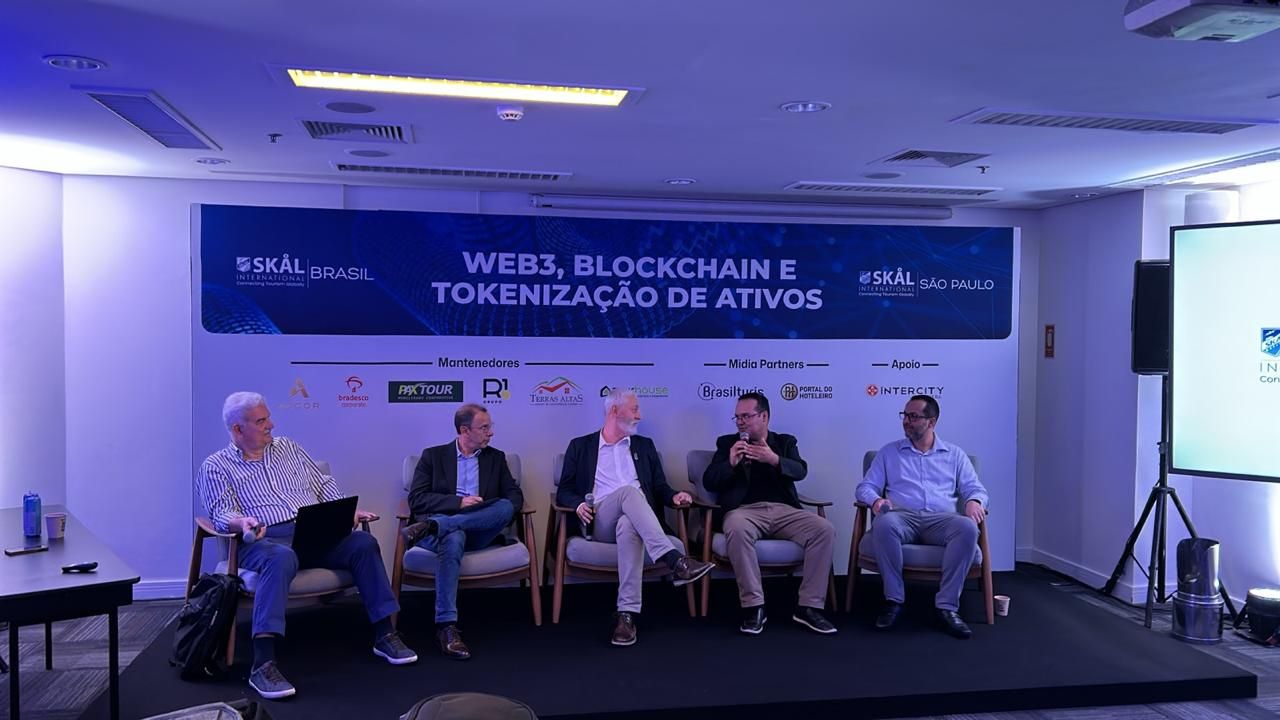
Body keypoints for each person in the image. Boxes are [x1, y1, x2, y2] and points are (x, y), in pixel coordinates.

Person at [195, 392, 417, 700]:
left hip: (311, 531)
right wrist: (242, 522)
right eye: (261, 421)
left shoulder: (288, 447)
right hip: (263, 539)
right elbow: (221, 513)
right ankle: (263, 664)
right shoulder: (216, 466)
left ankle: (385, 634)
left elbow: (322, 484)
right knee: (280, 557)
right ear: (237, 429)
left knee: (362, 543)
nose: (271, 424)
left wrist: (346, 512)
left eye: (268, 417)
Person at [556, 388, 714, 646]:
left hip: (638, 522)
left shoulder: (644, 446)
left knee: (629, 523)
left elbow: (660, 487)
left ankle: (626, 615)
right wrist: (577, 505)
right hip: (600, 520)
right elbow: (564, 490)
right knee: (628, 491)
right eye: (635, 409)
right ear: (614, 411)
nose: (639, 416)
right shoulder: (581, 446)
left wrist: (675, 496)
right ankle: (675, 560)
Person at [855, 394, 988, 639]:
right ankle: (894, 600)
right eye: (905, 415)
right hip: (902, 518)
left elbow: (975, 489)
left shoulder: (954, 454)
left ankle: (947, 607)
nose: (906, 421)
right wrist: (876, 500)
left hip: (941, 520)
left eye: (913, 416)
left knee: (968, 528)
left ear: (932, 422)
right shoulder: (889, 452)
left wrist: (974, 501)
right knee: (884, 523)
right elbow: (865, 487)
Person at [704, 392, 837, 635]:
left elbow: (800, 470)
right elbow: (709, 481)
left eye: (746, 416)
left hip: (784, 511)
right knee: (735, 526)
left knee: (824, 529)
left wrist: (774, 459)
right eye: (737, 417)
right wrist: (730, 463)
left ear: (764, 416)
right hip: (744, 512)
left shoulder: (785, 442)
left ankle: (808, 607)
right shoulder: (726, 444)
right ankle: (754, 606)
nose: (740, 422)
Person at [402, 403, 524, 660]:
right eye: (484, 428)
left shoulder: (495, 458)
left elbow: (514, 498)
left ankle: (438, 524)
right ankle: (447, 626)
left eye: (490, 427)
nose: (491, 433)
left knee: (503, 507)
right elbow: (417, 499)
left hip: (478, 531)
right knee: (454, 536)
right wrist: (458, 503)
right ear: (464, 430)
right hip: (442, 537)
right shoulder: (433, 456)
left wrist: (484, 511)